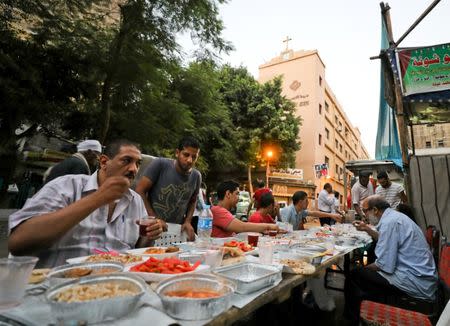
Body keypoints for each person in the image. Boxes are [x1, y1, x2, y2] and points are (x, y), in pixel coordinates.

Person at [8, 139, 163, 268]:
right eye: (127, 160)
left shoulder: (135, 201)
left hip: (119, 284)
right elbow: (18, 243)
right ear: (103, 162)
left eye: (138, 164)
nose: (134, 169)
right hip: (62, 285)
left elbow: (138, 251)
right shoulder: (66, 186)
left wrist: (149, 235)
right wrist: (97, 199)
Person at [344, 195, 437, 324]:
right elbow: (385, 239)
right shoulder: (394, 217)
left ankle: (352, 319)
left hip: (415, 281)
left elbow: (384, 265)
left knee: (354, 275)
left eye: (365, 211)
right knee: (364, 275)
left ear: (375, 210)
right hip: (420, 277)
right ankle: (368, 308)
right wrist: (366, 228)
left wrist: (364, 269)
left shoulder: (389, 223)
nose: (364, 215)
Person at [135, 136, 201, 241]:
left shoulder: (196, 176)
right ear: (177, 153)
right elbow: (140, 191)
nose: (189, 160)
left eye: (194, 157)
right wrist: (155, 219)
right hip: (152, 228)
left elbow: (193, 201)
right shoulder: (160, 164)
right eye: (186, 155)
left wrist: (187, 221)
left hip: (176, 230)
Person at [211, 180, 279, 238]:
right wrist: (269, 226)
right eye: (237, 194)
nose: (239, 197)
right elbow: (242, 227)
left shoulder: (222, 211)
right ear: (228, 194)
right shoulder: (218, 211)